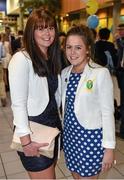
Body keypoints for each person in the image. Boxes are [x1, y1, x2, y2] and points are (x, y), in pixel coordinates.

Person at [8, 7, 62, 179]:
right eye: (41, 28)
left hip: (52, 130)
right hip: (34, 133)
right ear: (31, 31)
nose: (47, 33)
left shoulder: (52, 57)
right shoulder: (22, 59)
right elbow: (18, 104)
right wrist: (26, 143)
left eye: (51, 27)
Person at [61, 25, 116, 179]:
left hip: (90, 139)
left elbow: (107, 113)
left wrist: (109, 149)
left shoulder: (100, 73)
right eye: (69, 47)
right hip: (70, 138)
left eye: (78, 47)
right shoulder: (65, 73)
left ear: (87, 49)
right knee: (76, 176)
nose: (72, 52)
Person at [115, 23, 124, 139]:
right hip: (121, 72)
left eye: (122, 29)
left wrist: (118, 41)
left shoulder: (121, 42)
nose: (120, 32)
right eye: (119, 29)